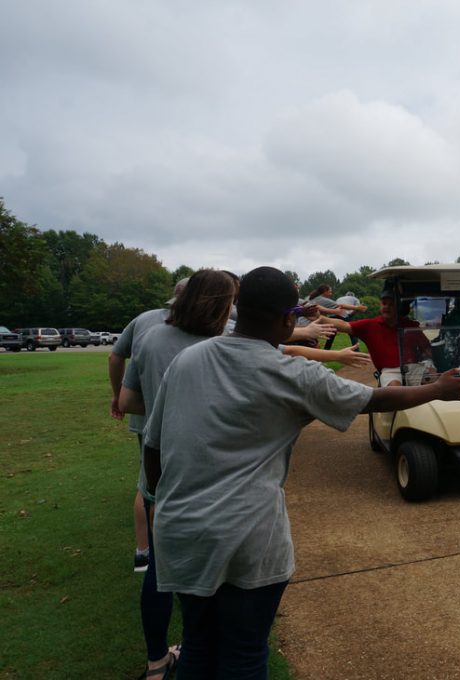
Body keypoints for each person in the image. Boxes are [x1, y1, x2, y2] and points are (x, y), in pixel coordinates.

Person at [141, 266, 460, 677]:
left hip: (183, 531)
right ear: (288, 319)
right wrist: (438, 390)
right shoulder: (291, 374)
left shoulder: (187, 360)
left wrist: (162, 503)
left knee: (198, 645)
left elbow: (153, 447)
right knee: (244, 652)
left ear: (238, 309)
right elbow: (373, 399)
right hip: (247, 534)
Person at [118, 269, 236, 680]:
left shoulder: (149, 338)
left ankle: (155, 664)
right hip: (216, 468)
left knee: (160, 566)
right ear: (220, 304)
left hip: (160, 461)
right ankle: (197, 649)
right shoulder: (228, 343)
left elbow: (129, 401)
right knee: (214, 569)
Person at [108, 276, 189, 574]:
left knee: (149, 482)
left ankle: (145, 552)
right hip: (180, 419)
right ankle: (161, 554)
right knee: (164, 484)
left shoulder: (144, 321)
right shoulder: (200, 328)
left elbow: (115, 357)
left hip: (145, 416)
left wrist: (117, 395)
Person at [333, 288, 433, 386]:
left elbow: (426, 348)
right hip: (390, 370)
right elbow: (344, 325)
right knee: (394, 388)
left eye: (391, 304)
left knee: (434, 379)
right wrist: (320, 318)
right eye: (384, 303)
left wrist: (432, 364)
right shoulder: (370, 325)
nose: (387, 307)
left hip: (412, 367)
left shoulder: (410, 326)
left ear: (398, 307)